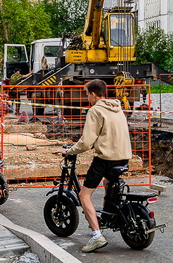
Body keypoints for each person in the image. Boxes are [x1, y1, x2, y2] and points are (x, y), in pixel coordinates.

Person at [54, 79, 132, 253]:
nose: (87, 97)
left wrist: (71, 151)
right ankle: (107, 215)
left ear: (93, 94)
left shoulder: (95, 111)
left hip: (106, 158)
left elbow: (87, 141)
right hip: (123, 157)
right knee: (107, 182)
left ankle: (97, 236)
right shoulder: (117, 107)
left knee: (84, 195)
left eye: (87, 93)